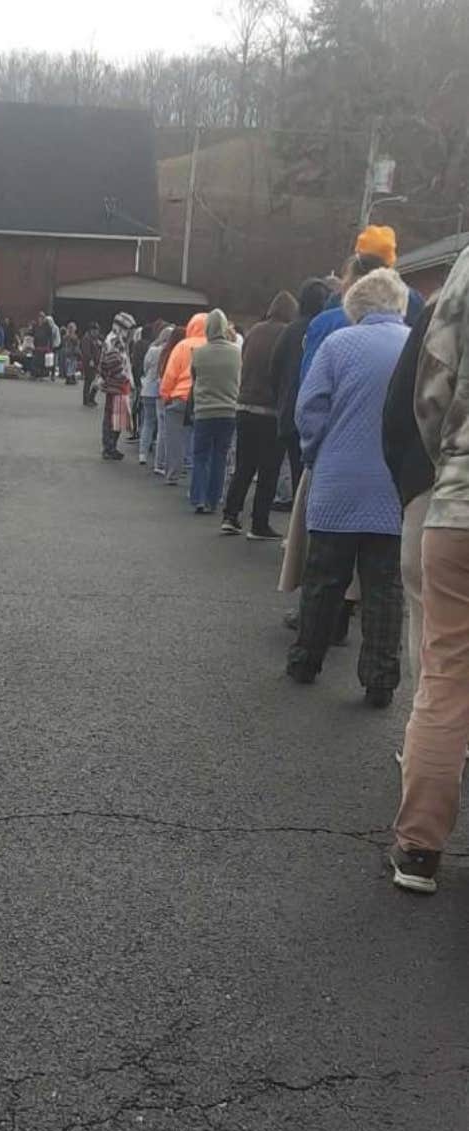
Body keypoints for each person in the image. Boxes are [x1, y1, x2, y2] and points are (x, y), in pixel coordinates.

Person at [286, 269, 410, 705]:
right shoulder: (415, 346)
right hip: (394, 488)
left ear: (355, 307)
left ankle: (305, 659)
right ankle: (380, 679)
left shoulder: (338, 344)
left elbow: (310, 406)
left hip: (338, 480)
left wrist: (315, 451)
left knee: (324, 577)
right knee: (385, 588)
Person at [390, 247, 469, 893]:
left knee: (444, 675)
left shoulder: (466, 267)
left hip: (459, 505)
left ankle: (418, 851)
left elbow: (432, 382)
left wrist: (448, 462)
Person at [382, 298, 437, 699]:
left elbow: (398, 410)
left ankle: (438, 750)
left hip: (436, 492)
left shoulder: (441, 313)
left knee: (430, 624)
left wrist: (410, 484)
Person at [221, 291, 298, 538]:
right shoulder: (287, 334)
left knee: (244, 465)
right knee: (268, 470)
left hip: (244, 406)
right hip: (270, 410)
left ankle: (230, 515)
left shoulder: (254, 331)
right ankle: (259, 523)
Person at [270, 278, 331, 495]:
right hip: (321, 415)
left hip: (291, 412)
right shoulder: (328, 330)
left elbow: (274, 369)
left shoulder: (290, 331)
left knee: (299, 475)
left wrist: (282, 399)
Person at [189, 309, 241, 514]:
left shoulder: (198, 353)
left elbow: (194, 379)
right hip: (229, 411)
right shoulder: (236, 352)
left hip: (204, 411)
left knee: (200, 456)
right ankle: (214, 498)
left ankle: (198, 497)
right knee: (220, 456)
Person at [159, 313, 208, 486]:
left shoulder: (182, 346)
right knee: (200, 440)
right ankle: (198, 476)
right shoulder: (211, 346)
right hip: (203, 399)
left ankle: (173, 473)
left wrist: (165, 395)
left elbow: (170, 374)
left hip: (179, 397)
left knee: (174, 438)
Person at [99, 311, 137, 461]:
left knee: (114, 417)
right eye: (129, 329)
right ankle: (109, 447)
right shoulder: (116, 341)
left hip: (113, 384)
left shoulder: (113, 338)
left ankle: (110, 447)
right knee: (114, 418)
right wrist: (126, 378)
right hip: (117, 385)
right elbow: (116, 363)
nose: (130, 333)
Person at [154, 326, 187, 476]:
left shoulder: (164, 352)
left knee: (163, 431)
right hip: (172, 395)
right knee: (174, 434)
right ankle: (167, 464)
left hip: (161, 392)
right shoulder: (179, 352)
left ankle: (160, 463)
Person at [138, 323, 171, 466]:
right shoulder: (169, 352)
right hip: (160, 391)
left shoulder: (152, 350)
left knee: (147, 422)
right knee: (161, 426)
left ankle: (142, 453)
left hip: (147, 388)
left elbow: (145, 367)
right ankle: (159, 456)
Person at [80, 323, 102, 406]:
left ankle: (91, 398)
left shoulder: (95, 339)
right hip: (89, 363)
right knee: (88, 382)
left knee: (96, 381)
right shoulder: (87, 338)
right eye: (95, 330)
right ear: (92, 330)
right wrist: (90, 360)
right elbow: (86, 352)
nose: (97, 332)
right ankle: (86, 400)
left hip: (96, 363)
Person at [32, 312, 53, 380]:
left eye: (41, 317)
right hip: (37, 346)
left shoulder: (47, 326)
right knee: (36, 361)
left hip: (44, 347)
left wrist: (50, 347)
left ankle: (41, 375)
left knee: (42, 362)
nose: (40, 319)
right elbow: (33, 334)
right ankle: (36, 374)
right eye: (39, 317)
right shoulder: (36, 326)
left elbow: (50, 337)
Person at [46, 315, 61, 380]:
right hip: (47, 346)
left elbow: (57, 338)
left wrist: (54, 345)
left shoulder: (55, 328)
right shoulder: (46, 328)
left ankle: (52, 374)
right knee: (47, 360)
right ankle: (46, 373)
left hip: (54, 346)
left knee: (54, 361)